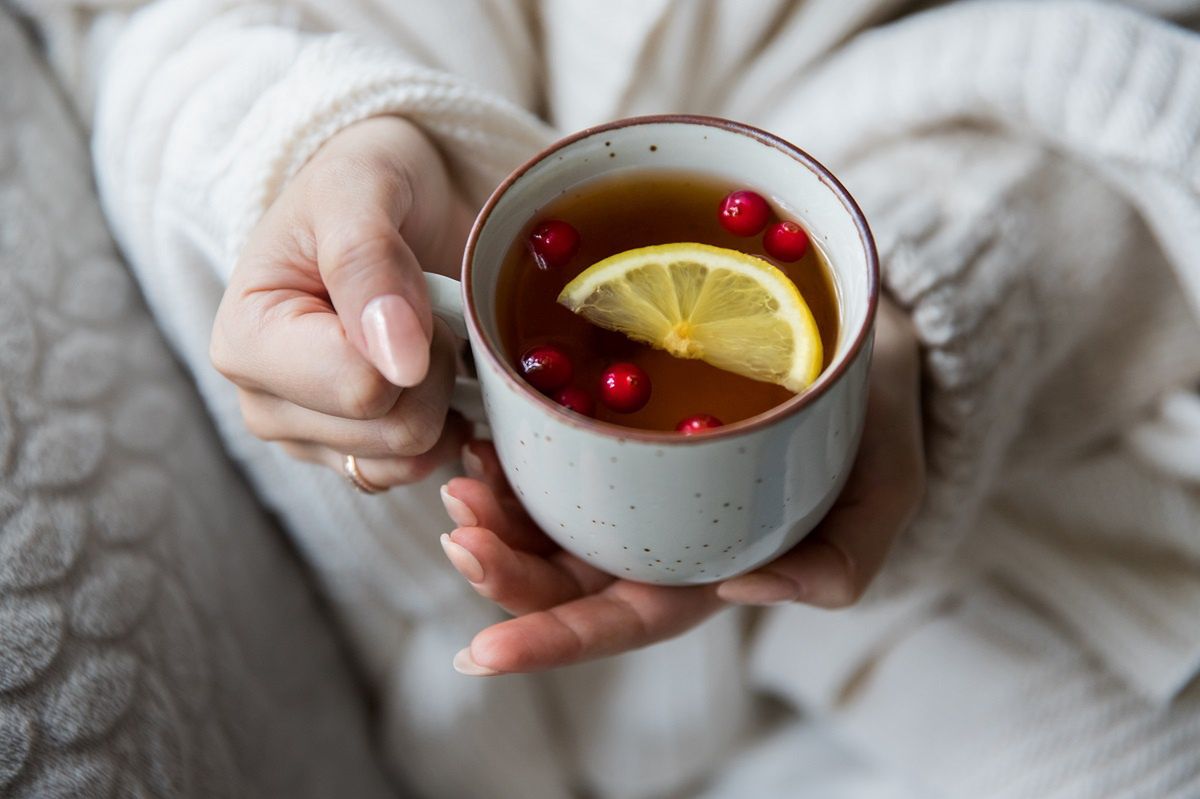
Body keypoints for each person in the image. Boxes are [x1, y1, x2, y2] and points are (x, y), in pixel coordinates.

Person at [19, 1, 1200, 796]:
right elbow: (135, 33)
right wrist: (313, 143)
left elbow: (1137, 71)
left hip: (1003, 545)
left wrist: (943, 311)